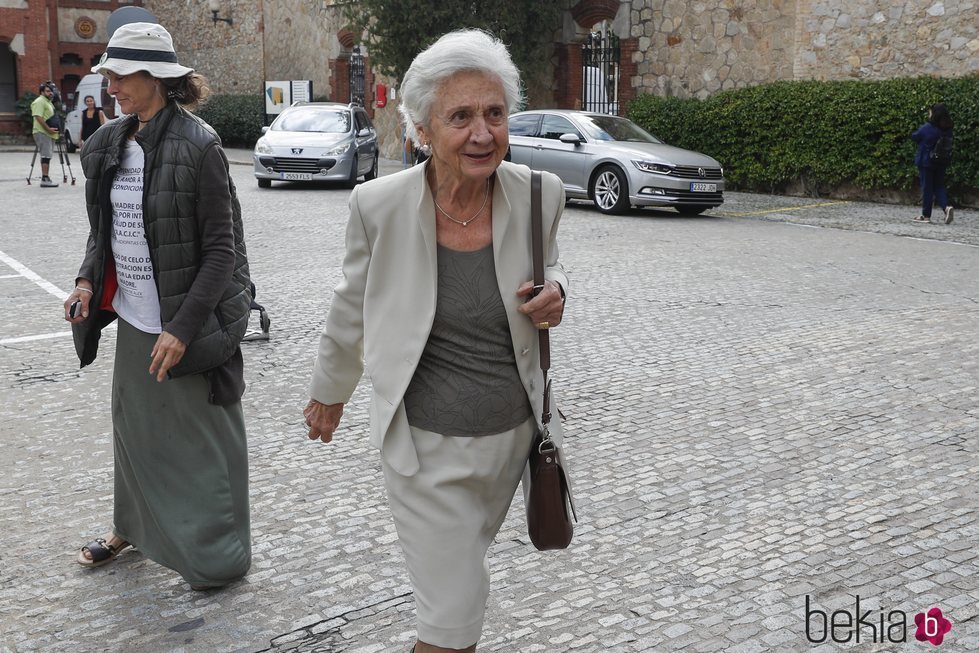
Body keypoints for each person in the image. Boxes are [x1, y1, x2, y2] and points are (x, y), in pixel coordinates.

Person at [304, 29, 569, 653]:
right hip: (424, 450)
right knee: (452, 622)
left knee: (462, 594)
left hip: (511, 442)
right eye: (461, 117)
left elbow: (550, 266)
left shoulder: (538, 194)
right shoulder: (380, 206)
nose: (483, 134)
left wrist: (558, 291)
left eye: (495, 114)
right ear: (422, 129)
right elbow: (351, 305)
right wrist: (330, 390)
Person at [63, 22, 253, 591]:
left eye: (120, 75)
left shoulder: (201, 146)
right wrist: (84, 283)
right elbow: (106, 234)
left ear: (157, 77)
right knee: (134, 430)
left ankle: (219, 551)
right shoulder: (110, 144)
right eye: (109, 75)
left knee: (206, 439)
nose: (111, 85)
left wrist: (183, 329)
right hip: (134, 317)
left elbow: (223, 252)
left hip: (187, 322)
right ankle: (132, 529)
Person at [911, 103, 954, 224]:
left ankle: (926, 215)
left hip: (926, 162)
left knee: (927, 188)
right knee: (939, 186)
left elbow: (915, 136)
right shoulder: (947, 129)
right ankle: (946, 208)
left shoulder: (927, 128)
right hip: (941, 161)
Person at [31, 82, 60, 187]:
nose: (50, 93)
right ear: (42, 92)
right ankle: (45, 179)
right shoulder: (39, 101)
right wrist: (48, 129)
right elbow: (38, 117)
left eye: (51, 91)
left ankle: (46, 177)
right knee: (45, 155)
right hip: (43, 132)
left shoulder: (48, 102)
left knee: (48, 155)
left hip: (49, 132)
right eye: (47, 91)